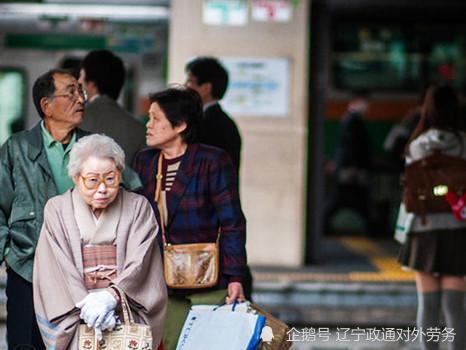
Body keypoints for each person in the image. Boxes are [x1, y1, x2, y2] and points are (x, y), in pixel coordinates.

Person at [132, 87, 247, 350]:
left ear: (180, 124)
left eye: (155, 119)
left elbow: (232, 222)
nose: (148, 125)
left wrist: (235, 276)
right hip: (160, 278)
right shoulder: (145, 161)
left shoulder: (212, 160)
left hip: (207, 276)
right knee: (168, 344)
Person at [33, 134, 167, 349]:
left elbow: (141, 262)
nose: (102, 188)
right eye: (93, 180)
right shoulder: (57, 209)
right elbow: (56, 268)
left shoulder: (138, 207)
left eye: (111, 178)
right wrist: (88, 307)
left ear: (121, 175)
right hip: (77, 313)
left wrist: (110, 298)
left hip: (123, 310)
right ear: (76, 177)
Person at [0, 69, 87, 349]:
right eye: (70, 92)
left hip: (80, 270)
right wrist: (6, 252)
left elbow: (129, 195)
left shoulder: (94, 147)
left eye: (80, 91)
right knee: (25, 342)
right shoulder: (17, 147)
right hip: (27, 266)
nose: (80, 99)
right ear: (46, 106)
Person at [398, 84, 466, 350]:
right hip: (458, 228)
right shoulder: (464, 143)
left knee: (428, 305)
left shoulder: (416, 144)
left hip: (422, 228)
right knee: (454, 307)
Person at [79, 49, 146, 164]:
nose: (79, 81)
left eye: (81, 76)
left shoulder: (74, 120)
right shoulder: (139, 130)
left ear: (92, 84)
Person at [324, 93, 372, 235]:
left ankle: (370, 226)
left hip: (349, 167)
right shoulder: (352, 120)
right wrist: (354, 167)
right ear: (356, 102)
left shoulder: (349, 119)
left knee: (347, 198)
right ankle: (371, 226)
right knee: (344, 198)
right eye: (365, 103)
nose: (367, 107)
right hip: (350, 168)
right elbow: (351, 146)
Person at [185, 56, 241, 172]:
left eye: (190, 81)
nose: (185, 85)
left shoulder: (212, 125)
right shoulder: (224, 122)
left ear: (206, 88)